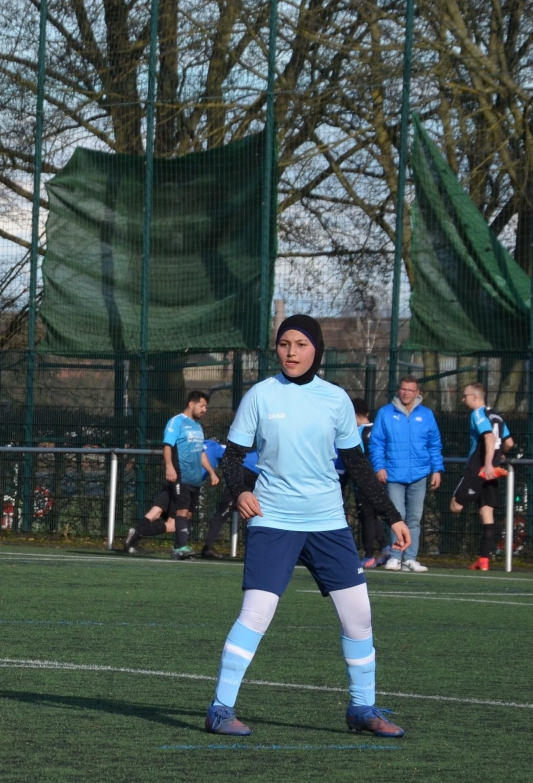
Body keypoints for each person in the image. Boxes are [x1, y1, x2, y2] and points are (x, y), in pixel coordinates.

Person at [203, 315, 411, 739]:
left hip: (328, 525)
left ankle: (362, 708)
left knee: (359, 618)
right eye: (284, 344)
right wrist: (240, 491)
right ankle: (220, 709)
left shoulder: (335, 400)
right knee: (257, 613)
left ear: (317, 350)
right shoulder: (260, 396)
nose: (291, 352)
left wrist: (394, 516)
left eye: (300, 344)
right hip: (273, 521)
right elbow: (231, 456)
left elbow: (358, 467)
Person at [125, 389, 221, 559]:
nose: (205, 410)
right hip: (180, 476)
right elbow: (167, 445)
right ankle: (180, 547)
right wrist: (169, 466)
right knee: (181, 514)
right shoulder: (176, 422)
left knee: (183, 516)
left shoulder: (198, 427)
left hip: (195, 479)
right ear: (191, 404)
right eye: (202, 406)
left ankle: (136, 534)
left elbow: (201, 452)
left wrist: (212, 473)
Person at [368, 375, 443, 572]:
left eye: (410, 390)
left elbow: (434, 445)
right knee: (396, 516)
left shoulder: (427, 415)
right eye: (403, 389)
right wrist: (379, 467)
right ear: (398, 390)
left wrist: (437, 470)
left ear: (418, 393)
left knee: (415, 518)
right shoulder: (385, 413)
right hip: (393, 474)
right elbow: (376, 443)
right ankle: (395, 557)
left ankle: (410, 558)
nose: (406, 393)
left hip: (420, 474)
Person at [449, 383, 513, 571]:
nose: (463, 399)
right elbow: (509, 442)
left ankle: (482, 559)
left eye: (465, 396)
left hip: (478, 468)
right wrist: (498, 457)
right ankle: (484, 560)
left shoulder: (478, 414)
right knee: (487, 513)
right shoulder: (498, 416)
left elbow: (489, 438)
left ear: (475, 397)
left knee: (454, 506)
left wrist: (486, 465)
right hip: (493, 468)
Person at [342, 397, 389, 568]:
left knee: (366, 516)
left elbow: (356, 458)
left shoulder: (358, 433)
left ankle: (369, 554)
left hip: (364, 482)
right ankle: (385, 547)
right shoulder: (378, 429)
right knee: (374, 515)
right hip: (381, 478)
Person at [198, 429, 258, 559]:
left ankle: (254, 551)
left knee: (255, 513)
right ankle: (207, 548)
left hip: (253, 471)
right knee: (225, 511)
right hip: (248, 470)